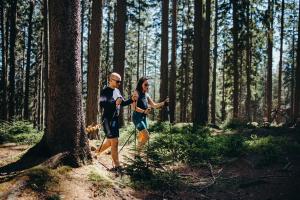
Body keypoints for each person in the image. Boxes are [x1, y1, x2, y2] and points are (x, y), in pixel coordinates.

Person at [95, 72, 138, 171]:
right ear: (110, 80)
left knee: (110, 142)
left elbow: (122, 103)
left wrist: (132, 99)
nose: (119, 83)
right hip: (107, 119)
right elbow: (103, 105)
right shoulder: (105, 91)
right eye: (117, 81)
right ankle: (117, 166)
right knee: (115, 142)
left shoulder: (117, 91)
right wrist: (115, 102)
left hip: (114, 119)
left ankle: (96, 153)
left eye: (120, 81)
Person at [132, 77, 169, 154]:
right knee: (146, 136)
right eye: (145, 84)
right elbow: (133, 107)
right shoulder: (136, 93)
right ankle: (137, 154)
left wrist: (163, 103)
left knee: (142, 136)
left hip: (144, 118)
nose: (147, 86)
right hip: (137, 117)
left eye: (148, 85)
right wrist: (144, 111)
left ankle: (137, 155)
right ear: (140, 84)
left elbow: (154, 105)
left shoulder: (147, 95)